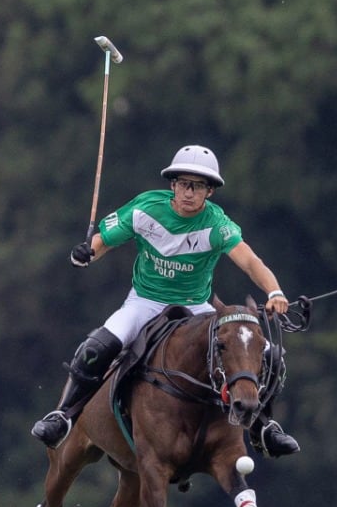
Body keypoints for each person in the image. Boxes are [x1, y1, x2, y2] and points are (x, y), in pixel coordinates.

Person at [30, 145, 301, 457]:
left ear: (209, 192)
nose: (189, 192)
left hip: (197, 309)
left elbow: (251, 262)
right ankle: (64, 416)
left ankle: (263, 427)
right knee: (96, 348)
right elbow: (103, 241)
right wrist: (87, 253)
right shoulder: (146, 210)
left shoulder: (218, 225)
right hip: (144, 302)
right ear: (172, 184)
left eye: (198, 186)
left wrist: (275, 292)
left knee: (272, 356)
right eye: (184, 183)